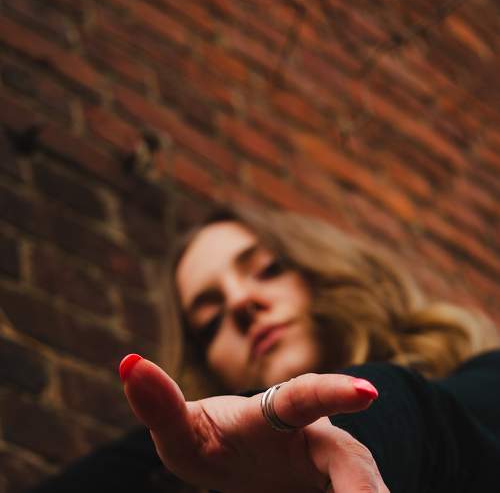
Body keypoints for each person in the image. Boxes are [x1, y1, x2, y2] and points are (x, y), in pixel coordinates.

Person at [32, 204, 500, 493]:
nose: (240, 302)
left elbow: (429, 420)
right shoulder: (189, 460)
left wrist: (341, 439)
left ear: (322, 270)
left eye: (267, 270)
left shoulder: (479, 374)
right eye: (210, 322)